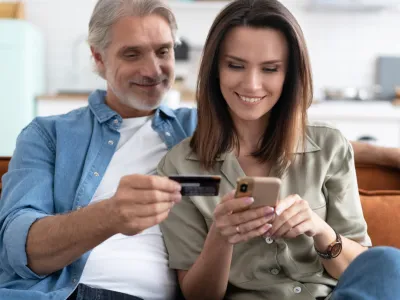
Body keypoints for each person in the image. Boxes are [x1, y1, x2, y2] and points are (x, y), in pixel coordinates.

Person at [157, 0, 400, 300]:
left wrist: (320, 230)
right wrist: (221, 237)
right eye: (235, 65)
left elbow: (363, 269)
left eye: (270, 69)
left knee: (389, 262)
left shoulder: (329, 147)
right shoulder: (180, 167)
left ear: (290, 75)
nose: (252, 84)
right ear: (214, 69)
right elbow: (198, 296)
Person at [0, 0, 196, 299]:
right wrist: (109, 215)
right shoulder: (48, 134)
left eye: (163, 51)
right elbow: (19, 250)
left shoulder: (201, 131)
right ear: (98, 58)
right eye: (132, 54)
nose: (153, 70)